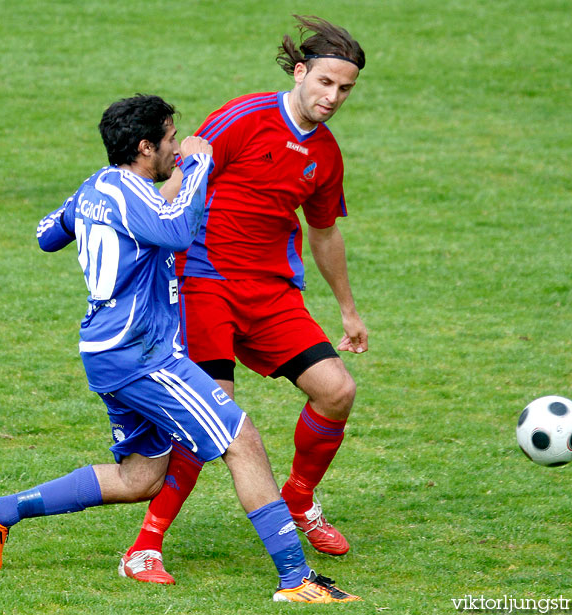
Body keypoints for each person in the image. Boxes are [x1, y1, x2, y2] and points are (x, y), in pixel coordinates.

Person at [0, 94, 360, 604]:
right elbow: (178, 231)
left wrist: (90, 212)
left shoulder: (98, 187)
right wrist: (199, 166)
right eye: (173, 138)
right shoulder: (139, 198)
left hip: (104, 351)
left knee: (141, 477)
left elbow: (46, 235)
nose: (181, 145)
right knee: (242, 440)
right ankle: (297, 579)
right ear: (147, 147)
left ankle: (2, 511)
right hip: (143, 355)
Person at [119, 15, 368, 584]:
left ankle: (300, 498)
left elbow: (325, 232)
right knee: (216, 423)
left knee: (337, 390)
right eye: (325, 82)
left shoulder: (325, 155)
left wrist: (348, 310)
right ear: (301, 72)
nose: (333, 97)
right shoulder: (244, 116)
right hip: (205, 283)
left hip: (271, 293)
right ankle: (144, 547)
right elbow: (179, 184)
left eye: (345, 88)